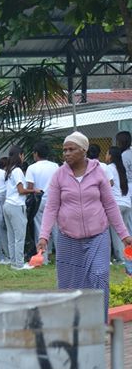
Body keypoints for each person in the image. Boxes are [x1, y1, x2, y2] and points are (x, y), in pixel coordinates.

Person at [39, 132, 132, 319]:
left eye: (71, 149)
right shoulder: (59, 175)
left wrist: (124, 235)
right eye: (64, 150)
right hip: (68, 239)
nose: (66, 153)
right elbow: (51, 207)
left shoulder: (98, 172)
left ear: (84, 150)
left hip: (98, 236)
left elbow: (110, 205)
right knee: (69, 284)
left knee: (99, 276)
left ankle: (99, 325)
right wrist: (44, 236)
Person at [3, 145, 40, 270]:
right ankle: (19, 264)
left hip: (7, 205)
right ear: (20, 155)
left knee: (11, 237)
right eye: (23, 155)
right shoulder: (18, 171)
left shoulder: (9, 170)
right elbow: (21, 190)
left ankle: (14, 262)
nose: (23, 157)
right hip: (16, 205)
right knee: (20, 237)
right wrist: (34, 190)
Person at [25, 142, 60, 264]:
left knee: (40, 229)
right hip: (54, 200)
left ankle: (43, 258)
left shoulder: (32, 168)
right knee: (56, 229)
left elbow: (30, 187)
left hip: (39, 201)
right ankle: (60, 258)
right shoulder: (55, 166)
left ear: (36, 154)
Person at [105, 146, 132, 263]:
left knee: (117, 234)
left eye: (107, 153)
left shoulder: (109, 168)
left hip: (116, 205)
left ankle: (121, 258)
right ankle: (128, 256)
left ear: (111, 156)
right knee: (124, 233)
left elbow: (107, 185)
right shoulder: (122, 168)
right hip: (126, 204)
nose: (106, 156)